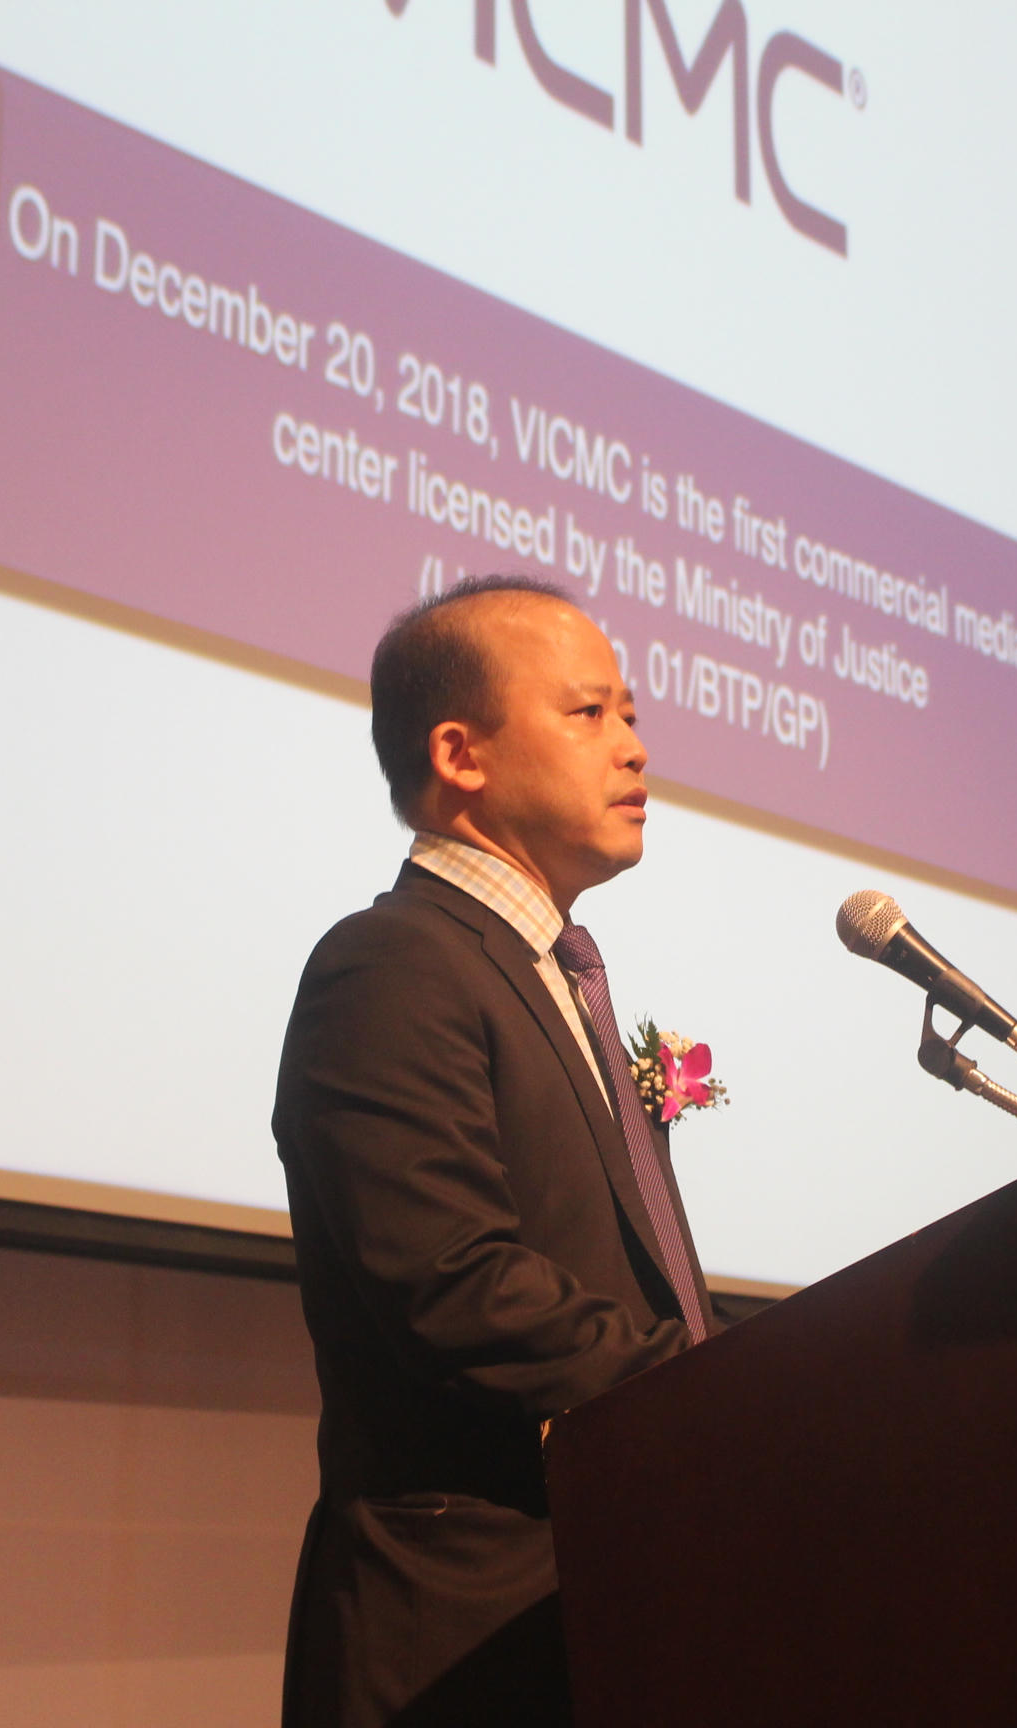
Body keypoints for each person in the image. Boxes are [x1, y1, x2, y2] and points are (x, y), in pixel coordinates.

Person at [273, 575, 716, 1727]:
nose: (634, 747)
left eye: (631, 714)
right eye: (589, 712)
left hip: (610, 1598)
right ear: (459, 755)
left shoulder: (549, 977)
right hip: (463, 1637)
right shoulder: (392, 964)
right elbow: (451, 1281)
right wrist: (711, 1391)